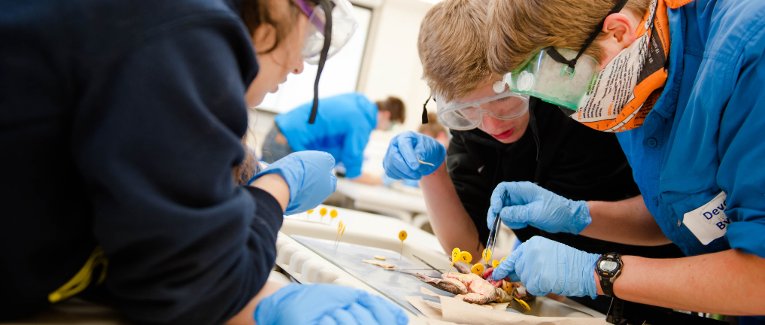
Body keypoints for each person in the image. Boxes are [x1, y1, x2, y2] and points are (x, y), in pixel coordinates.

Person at [0, 0, 408, 324]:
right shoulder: (183, 27)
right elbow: (192, 288)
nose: (301, 64)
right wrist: (278, 187)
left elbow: (140, 232)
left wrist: (239, 186)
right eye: (310, 33)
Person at [382, 0, 684, 320]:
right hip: (564, 304)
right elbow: (468, 253)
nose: (492, 125)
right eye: (467, 111)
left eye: (503, 101)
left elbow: (668, 220)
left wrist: (577, 218)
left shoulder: (587, 101)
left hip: (659, 285)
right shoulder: (476, 130)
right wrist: (433, 174)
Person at [483, 0, 765, 322]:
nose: (578, 110)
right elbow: (682, 212)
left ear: (618, 31)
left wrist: (600, 273)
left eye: (573, 90)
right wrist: (577, 215)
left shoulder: (751, 47)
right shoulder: (633, 71)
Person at [261, 93, 405, 185]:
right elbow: (354, 174)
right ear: (386, 115)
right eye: (391, 126)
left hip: (279, 135)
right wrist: (379, 181)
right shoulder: (362, 122)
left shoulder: (357, 102)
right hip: (286, 143)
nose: (387, 129)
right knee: (267, 196)